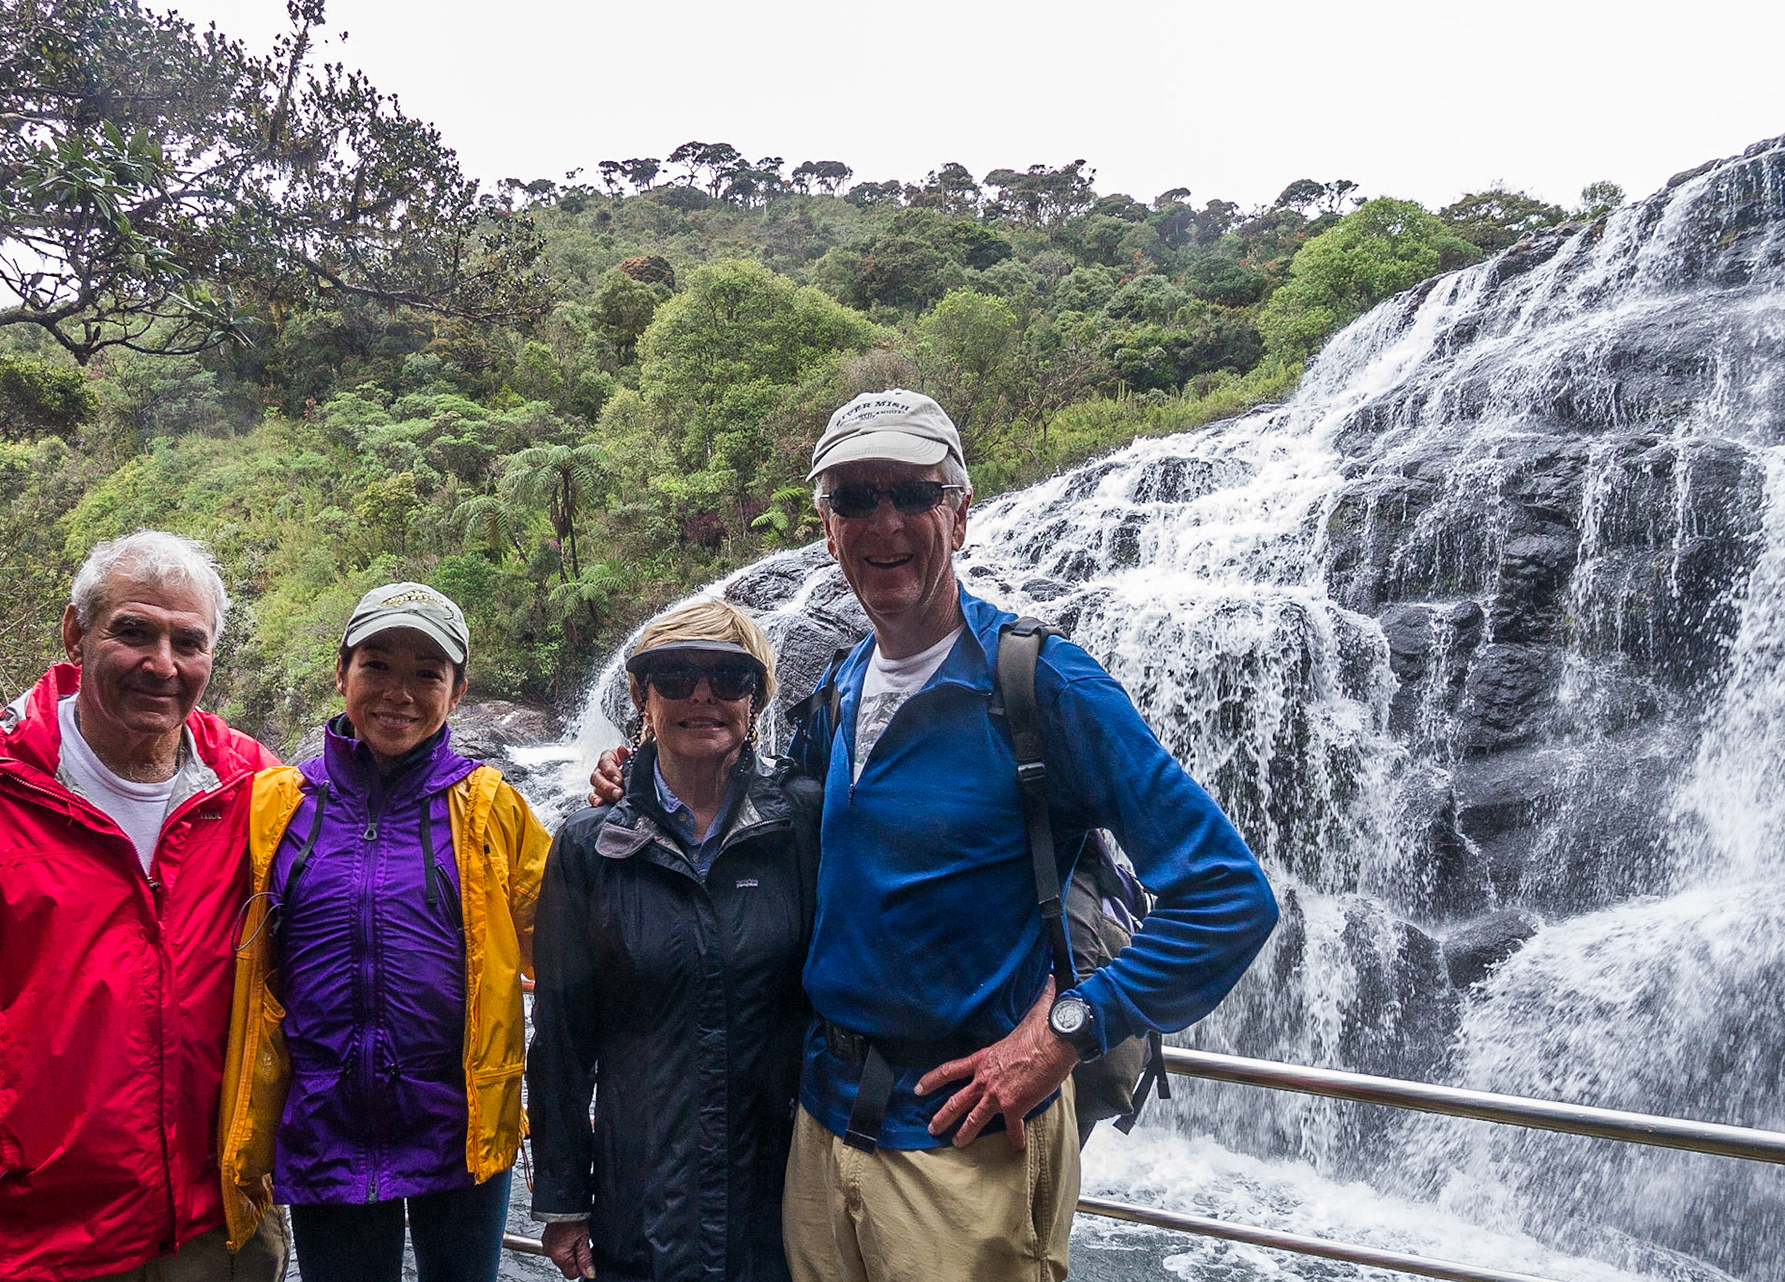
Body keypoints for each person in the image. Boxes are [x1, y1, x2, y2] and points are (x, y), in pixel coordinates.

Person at [591, 389, 1280, 1281]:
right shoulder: (837, 693)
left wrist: (1070, 1028)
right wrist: (639, 782)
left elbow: (1230, 894)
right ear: (827, 528)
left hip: (967, 1146)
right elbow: (755, 820)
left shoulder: (1043, 684)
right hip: (819, 1129)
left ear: (960, 513)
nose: (885, 522)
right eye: (854, 498)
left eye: (912, 494)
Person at [218, 582, 549, 1282]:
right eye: (377, 666)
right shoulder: (275, 806)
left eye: (427, 674)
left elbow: (564, 947)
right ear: (341, 674)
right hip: (322, 1124)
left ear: (456, 693)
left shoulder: (492, 808)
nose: (398, 692)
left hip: (460, 1130)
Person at [0, 530, 289, 1282]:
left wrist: (626, 795)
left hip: (215, 1226)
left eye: (187, 642)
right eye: (133, 631)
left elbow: (388, 851)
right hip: (39, 1236)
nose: (162, 665)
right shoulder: (9, 789)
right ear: (75, 630)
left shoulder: (256, 788)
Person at [531, 599, 809, 1282]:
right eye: (676, 676)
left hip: (784, 1196)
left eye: (729, 679)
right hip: (642, 1202)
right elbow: (563, 1040)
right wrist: (563, 1200)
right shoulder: (589, 845)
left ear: (757, 700)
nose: (702, 696)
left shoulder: (806, 823)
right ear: (642, 698)